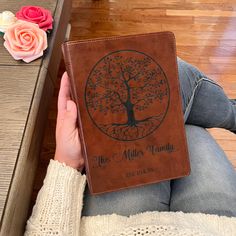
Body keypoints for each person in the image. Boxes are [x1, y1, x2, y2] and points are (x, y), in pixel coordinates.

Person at [24, 58, 236, 235]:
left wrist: (67, 161)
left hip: (114, 226)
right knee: (187, 123)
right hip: (216, 228)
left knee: (168, 90)